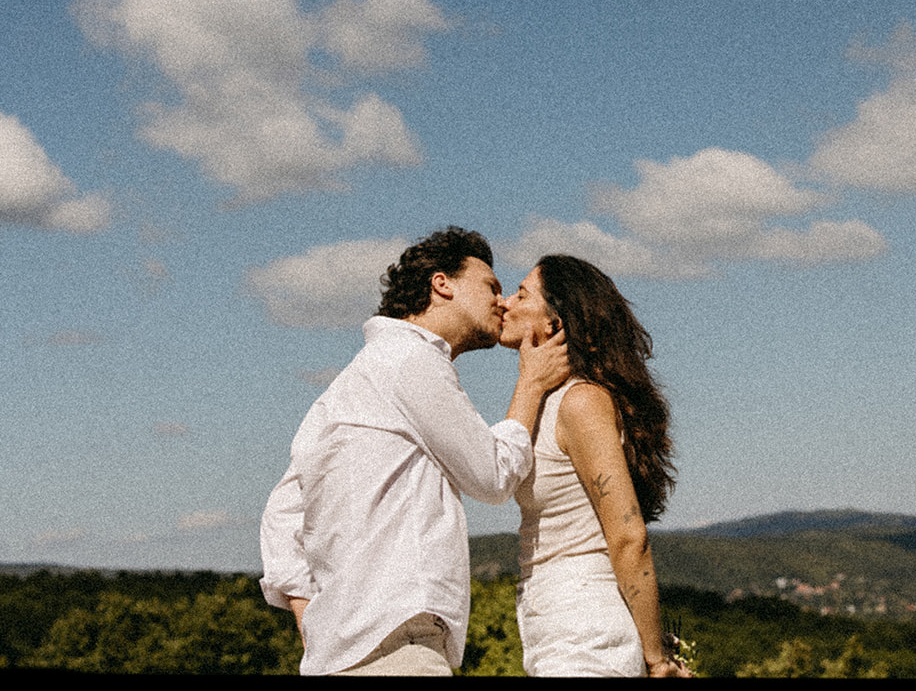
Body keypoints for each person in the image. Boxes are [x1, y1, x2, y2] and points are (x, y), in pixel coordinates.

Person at [259, 227, 570, 676]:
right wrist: (532, 384)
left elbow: (282, 515)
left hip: (344, 654)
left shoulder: (350, 382)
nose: (502, 302)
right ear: (442, 284)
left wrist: (318, 622)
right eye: (491, 287)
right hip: (400, 641)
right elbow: (493, 476)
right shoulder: (411, 359)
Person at [498, 254, 690, 678]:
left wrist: (656, 658)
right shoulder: (543, 402)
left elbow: (628, 535)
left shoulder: (581, 402)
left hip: (587, 634)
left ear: (555, 323)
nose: (506, 303)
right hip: (555, 629)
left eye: (522, 293)